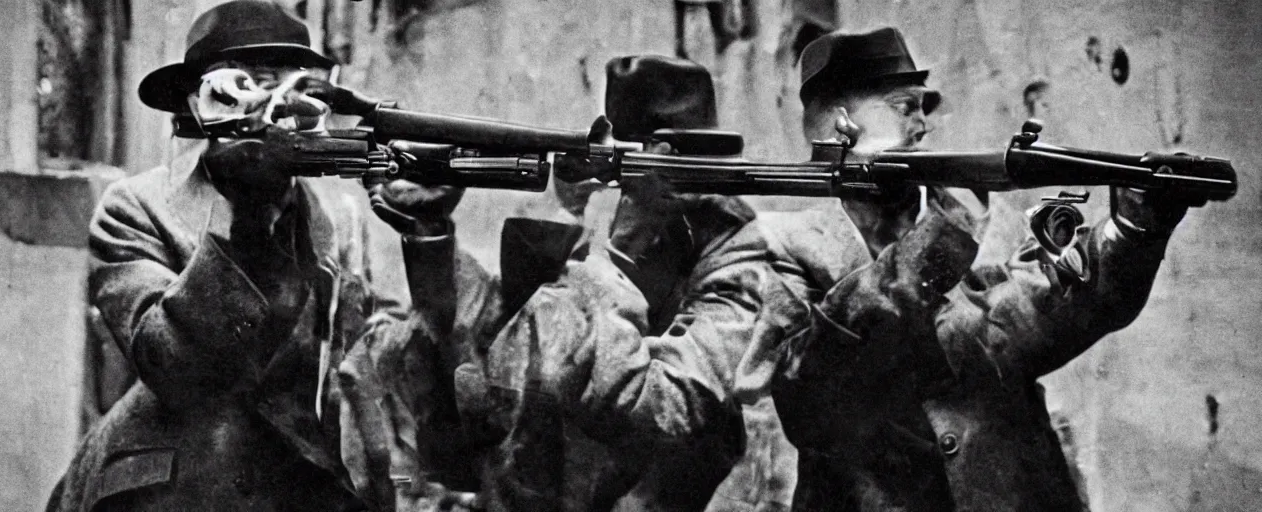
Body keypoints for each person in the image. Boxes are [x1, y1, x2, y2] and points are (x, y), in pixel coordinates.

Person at [740, 27, 1202, 511]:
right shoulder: (783, 244)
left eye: (925, 106)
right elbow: (812, 396)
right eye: (904, 106)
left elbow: (1047, 311)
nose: (923, 124)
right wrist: (941, 240)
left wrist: (1133, 228)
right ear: (842, 123)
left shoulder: (975, 219)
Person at [44, 2, 477, 510]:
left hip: (296, 487)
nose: (272, 113)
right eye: (244, 85)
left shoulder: (336, 218)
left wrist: (428, 237)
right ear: (198, 102)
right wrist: (246, 213)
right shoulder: (138, 205)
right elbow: (174, 370)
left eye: (292, 92)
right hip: (179, 488)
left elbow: (381, 364)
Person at [429, 55, 797, 512]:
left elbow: (668, 406)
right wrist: (568, 219)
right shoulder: (593, 218)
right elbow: (496, 362)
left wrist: (603, 257)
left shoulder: (739, 246)